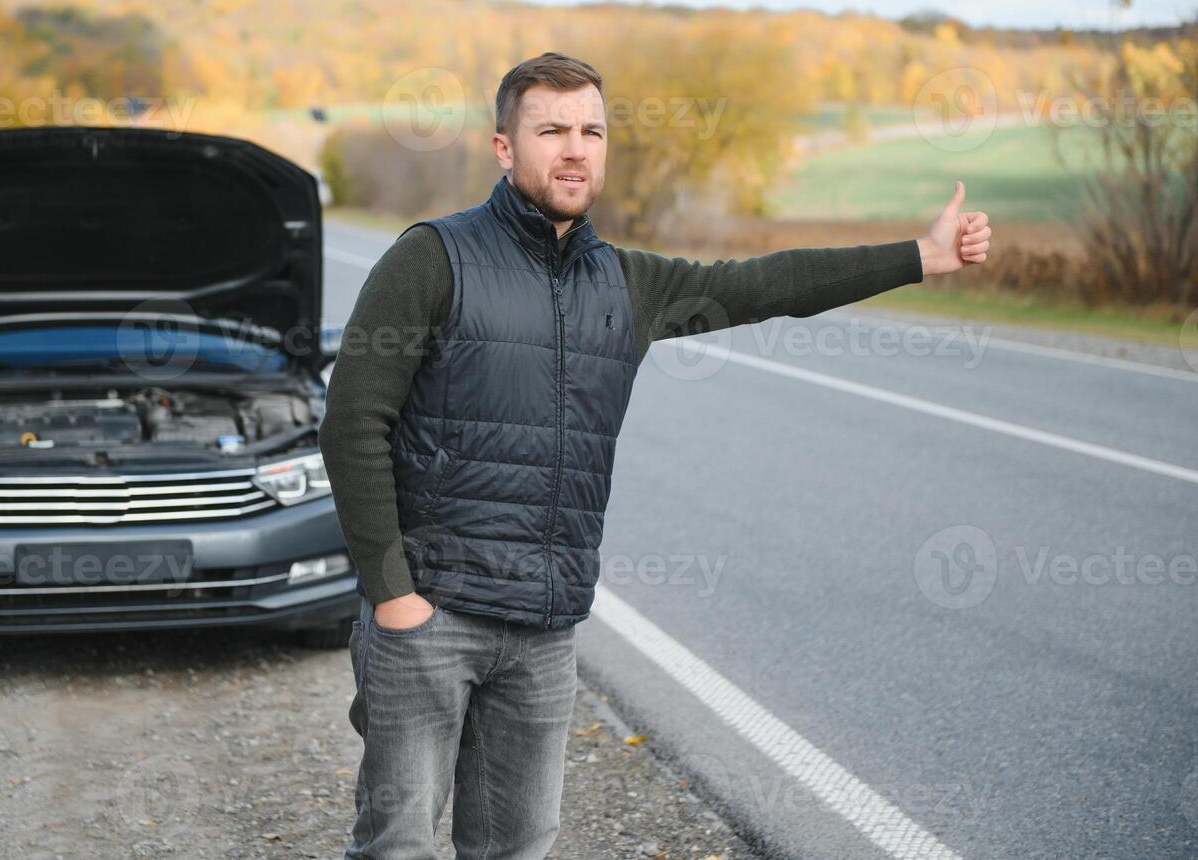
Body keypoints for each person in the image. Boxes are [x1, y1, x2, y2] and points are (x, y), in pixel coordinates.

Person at [318, 51, 991, 858]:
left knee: (516, 848)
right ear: (503, 148)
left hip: (543, 630)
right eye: (552, 130)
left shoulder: (628, 284)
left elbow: (763, 284)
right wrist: (393, 596)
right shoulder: (432, 257)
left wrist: (920, 256)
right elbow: (352, 423)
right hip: (432, 616)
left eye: (592, 131)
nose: (575, 149)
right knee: (396, 847)